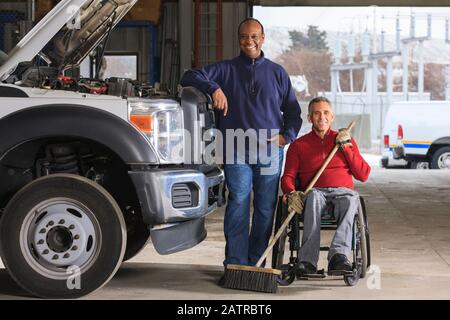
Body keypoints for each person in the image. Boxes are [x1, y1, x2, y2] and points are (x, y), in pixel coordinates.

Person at [180, 18, 302, 272]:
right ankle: (235, 263)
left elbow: (293, 111)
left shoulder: (277, 72)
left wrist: (285, 137)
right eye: (245, 37)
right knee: (238, 203)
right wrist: (213, 88)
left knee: (265, 208)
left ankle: (256, 263)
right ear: (239, 40)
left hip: (269, 152)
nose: (250, 41)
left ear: (263, 38)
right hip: (236, 149)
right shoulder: (226, 69)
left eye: (255, 36)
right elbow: (189, 75)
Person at [281, 96, 370, 275]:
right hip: (315, 193)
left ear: (332, 116)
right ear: (310, 118)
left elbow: (363, 174)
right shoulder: (299, 145)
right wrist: (290, 192)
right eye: (317, 113)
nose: (322, 117)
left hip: (342, 193)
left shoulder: (345, 141)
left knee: (351, 198)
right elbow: (288, 176)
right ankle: (307, 261)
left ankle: (339, 257)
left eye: (326, 113)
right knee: (313, 197)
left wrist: (347, 147)